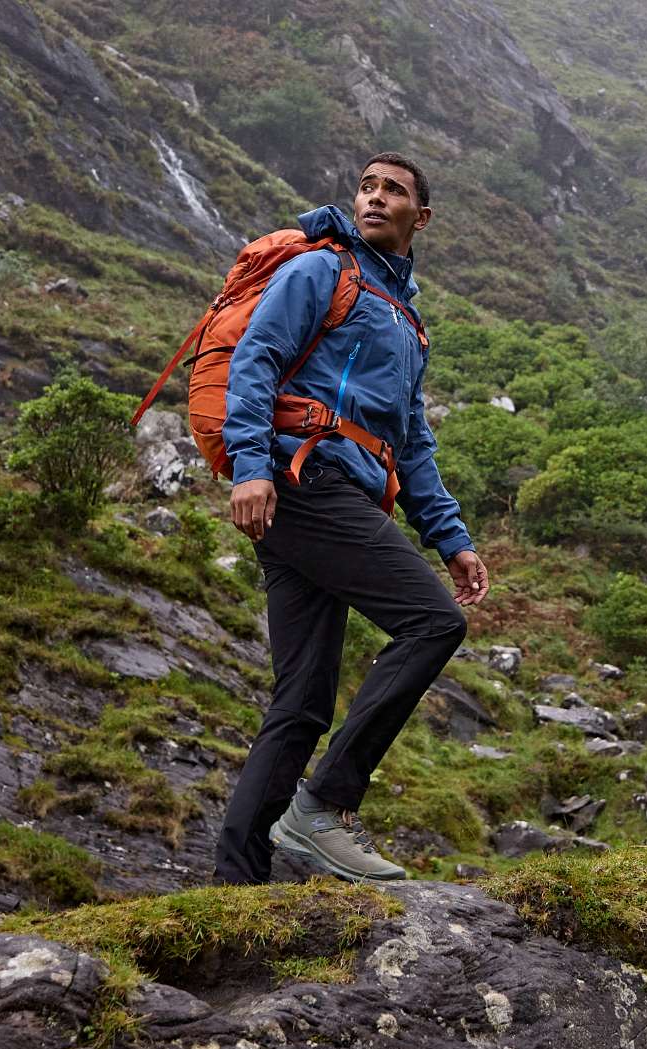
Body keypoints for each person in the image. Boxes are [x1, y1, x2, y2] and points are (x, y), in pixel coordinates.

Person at [212, 152, 490, 885]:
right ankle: (324, 805)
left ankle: (235, 889)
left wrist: (451, 538)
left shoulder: (407, 320)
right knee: (434, 622)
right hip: (305, 478)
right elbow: (256, 360)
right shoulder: (320, 272)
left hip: (341, 491)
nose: (373, 197)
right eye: (366, 187)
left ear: (420, 217)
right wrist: (250, 466)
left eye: (392, 190)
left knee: (301, 703)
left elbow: (411, 442)